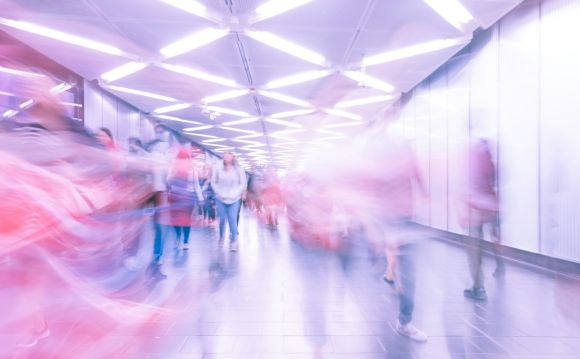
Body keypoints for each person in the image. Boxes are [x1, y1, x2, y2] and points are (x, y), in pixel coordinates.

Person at [461, 138, 505, 301]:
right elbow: (496, 185)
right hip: (492, 206)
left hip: (475, 208)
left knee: (474, 247)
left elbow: (466, 186)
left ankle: (478, 287)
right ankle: (500, 264)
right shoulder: (492, 163)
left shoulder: (471, 162)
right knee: (493, 237)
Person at [167, 148, 202, 250]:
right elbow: (168, 182)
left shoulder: (192, 170)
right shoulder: (172, 168)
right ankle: (178, 236)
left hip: (188, 197)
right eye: (181, 159)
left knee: (186, 220)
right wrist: (174, 174)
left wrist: (200, 198)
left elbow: (196, 185)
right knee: (175, 220)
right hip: (175, 196)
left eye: (185, 159)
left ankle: (186, 241)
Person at [211, 151, 246, 251]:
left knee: (232, 219)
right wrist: (218, 192)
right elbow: (213, 182)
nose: (226, 157)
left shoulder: (239, 169)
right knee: (222, 219)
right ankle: (221, 237)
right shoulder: (218, 168)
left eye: (228, 155)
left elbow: (243, 183)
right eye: (224, 155)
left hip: (234, 198)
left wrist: (237, 193)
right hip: (221, 198)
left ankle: (234, 240)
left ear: (232, 158)